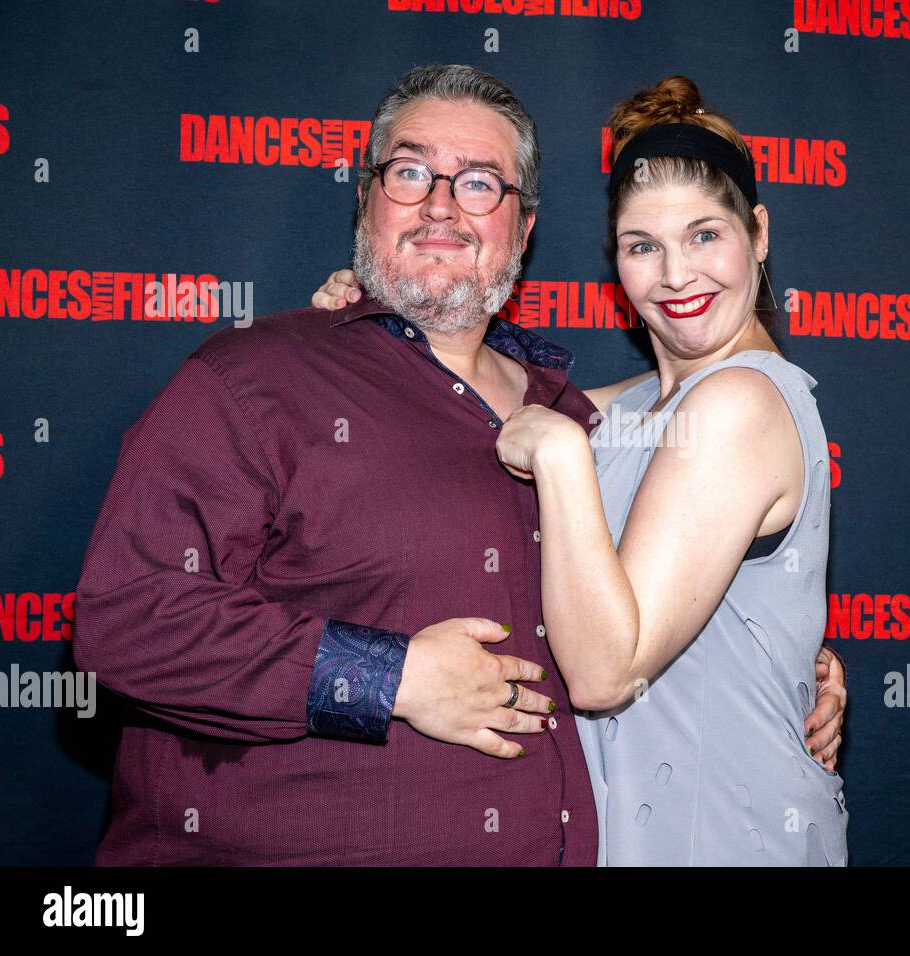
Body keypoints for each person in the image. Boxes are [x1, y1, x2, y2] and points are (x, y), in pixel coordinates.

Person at [74, 63, 843, 866]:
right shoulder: (256, 378)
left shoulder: (567, 415)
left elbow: (681, 586)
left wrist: (788, 657)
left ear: (524, 225)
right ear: (366, 198)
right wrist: (388, 678)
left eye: (479, 183)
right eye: (410, 173)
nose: (440, 204)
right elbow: (125, 618)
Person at [311, 74, 849, 865]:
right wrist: (384, 313)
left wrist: (561, 455)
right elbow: (472, 392)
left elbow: (601, 675)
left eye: (705, 235)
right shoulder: (626, 407)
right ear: (616, 260)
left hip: (727, 834)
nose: (676, 275)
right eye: (643, 245)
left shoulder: (742, 402)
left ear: (758, 234)